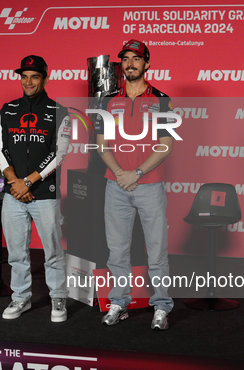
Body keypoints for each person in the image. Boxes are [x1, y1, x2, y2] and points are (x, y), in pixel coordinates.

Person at [95, 39, 175, 330]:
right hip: (116, 186)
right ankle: (119, 301)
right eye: (126, 59)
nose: (130, 63)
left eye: (136, 59)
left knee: (157, 252)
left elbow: (165, 145)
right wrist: (119, 173)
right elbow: (101, 145)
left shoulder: (161, 99)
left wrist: (136, 173)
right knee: (117, 251)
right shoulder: (107, 101)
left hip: (149, 186)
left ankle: (162, 307)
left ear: (147, 64)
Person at [0, 55, 71, 322]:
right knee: (16, 251)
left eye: (34, 76)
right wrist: (16, 182)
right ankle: (21, 298)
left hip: (44, 193)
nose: (28, 82)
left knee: (52, 251)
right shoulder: (7, 109)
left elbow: (58, 154)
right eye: (24, 76)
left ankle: (58, 298)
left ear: (45, 79)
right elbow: (0, 149)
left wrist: (28, 182)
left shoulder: (60, 111)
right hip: (13, 193)